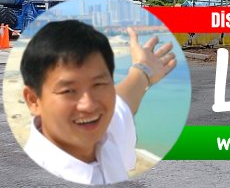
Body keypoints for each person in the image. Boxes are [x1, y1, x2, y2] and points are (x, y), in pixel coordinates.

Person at [20, 19, 176, 185]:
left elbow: (123, 101)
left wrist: (143, 70)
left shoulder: (103, 130)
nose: (88, 105)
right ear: (33, 100)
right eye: (68, 91)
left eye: (99, 84)